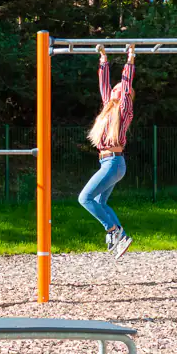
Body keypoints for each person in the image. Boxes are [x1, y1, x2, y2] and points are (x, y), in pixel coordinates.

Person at [79, 41, 135, 258]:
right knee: (100, 202)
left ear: (125, 95)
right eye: (114, 89)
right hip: (109, 163)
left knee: (85, 198)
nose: (114, 90)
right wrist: (103, 58)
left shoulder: (124, 111)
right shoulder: (108, 108)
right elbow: (104, 85)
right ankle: (122, 238)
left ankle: (112, 230)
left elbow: (126, 84)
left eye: (118, 89)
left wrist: (131, 57)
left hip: (113, 162)